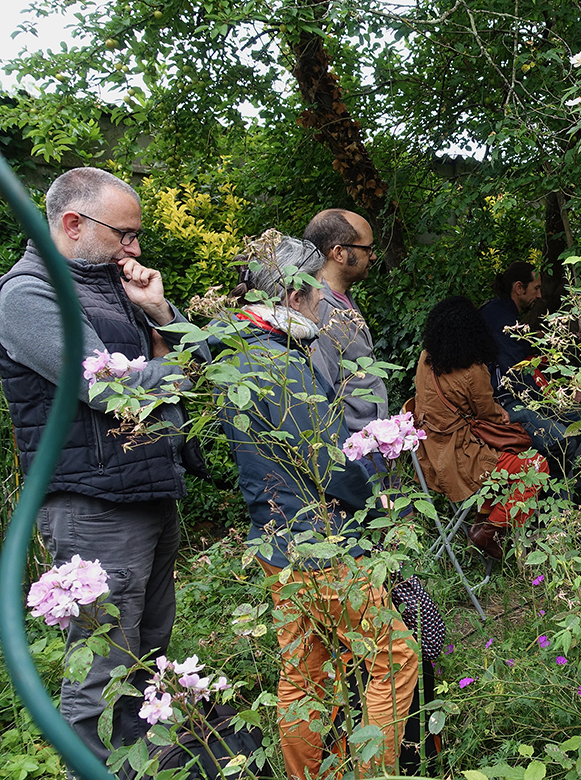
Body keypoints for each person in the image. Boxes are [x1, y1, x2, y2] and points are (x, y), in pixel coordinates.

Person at [0, 167, 209, 767]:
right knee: (102, 672)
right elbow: (112, 388)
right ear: (72, 223)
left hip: (145, 493)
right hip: (93, 506)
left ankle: (142, 767)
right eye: (126, 234)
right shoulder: (29, 295)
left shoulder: (109, 285)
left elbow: (164, 371)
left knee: (149, 657)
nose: (135, 249)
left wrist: (158, 308)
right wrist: (195, 365)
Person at [218, 232, 417, 778]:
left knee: (305, 675)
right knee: (395, 657)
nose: (323, 305)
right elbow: (327, 463)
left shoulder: (238, 353)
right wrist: (377, 510)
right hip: (319, 539)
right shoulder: (281, 362)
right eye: (315, 293)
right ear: (298, 292)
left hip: (276, 539)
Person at [413, 296, 549, 559]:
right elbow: (490, 418)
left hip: (428, 455)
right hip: (461, 461)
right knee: (536, 467)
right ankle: (490, 530)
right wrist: (501, 414)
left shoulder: (426, 358)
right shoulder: (472, 371)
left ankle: (482, 519)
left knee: (503, 461)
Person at [480, 261, 581, 475]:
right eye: (536, 288)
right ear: (519, 288)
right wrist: (557, 399)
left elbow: (517, 351)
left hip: (516, 398)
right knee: (564, 440)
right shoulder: (499, 318)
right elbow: (515, 374)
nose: (538, 296)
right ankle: (565, 502)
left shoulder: (501, 312)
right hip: (506, 405)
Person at [304, 208, 388, 438]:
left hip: (372, 440)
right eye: (367, 249)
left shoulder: (342, 298)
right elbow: (323, 391)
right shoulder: (319, 310)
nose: (372, 256)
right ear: (339, 253)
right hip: (354, 446)